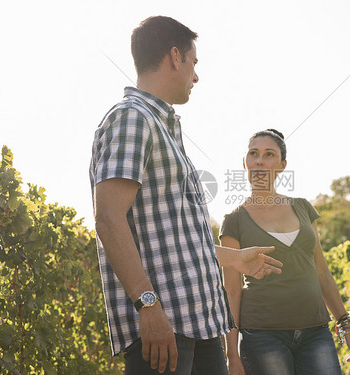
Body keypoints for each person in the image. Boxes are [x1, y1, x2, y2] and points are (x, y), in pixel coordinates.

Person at [89, 17, 282, 375]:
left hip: (200, 322)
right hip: (164, 327)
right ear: (175, 57)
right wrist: (148, 305)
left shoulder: (163, 126)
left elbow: (175, 241)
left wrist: (234, 259)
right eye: (194, 63)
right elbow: (108, 218)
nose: (196, 76)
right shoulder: (132, 119)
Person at [220, 129, 350, 375]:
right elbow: (231, 291)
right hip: (262, 337)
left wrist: (345, 324)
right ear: (245, 163)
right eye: (253, 154)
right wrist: (232, 356)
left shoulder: (303, 208)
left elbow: (322, 270)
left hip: (316, 332)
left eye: (269, 154)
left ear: (282, 165)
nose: (259, 161)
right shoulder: (234, 221)